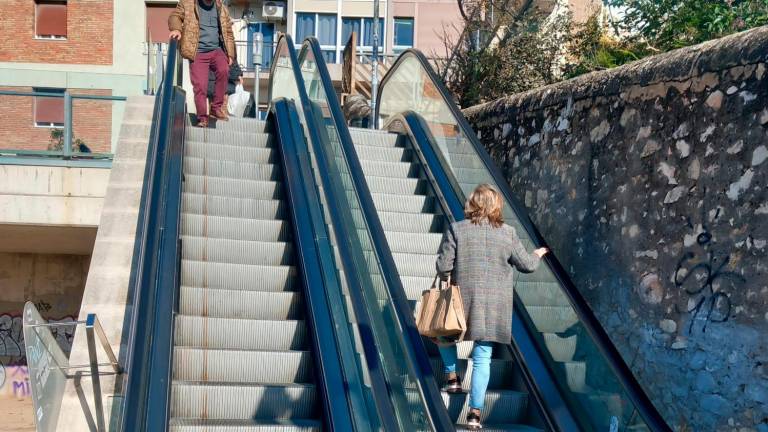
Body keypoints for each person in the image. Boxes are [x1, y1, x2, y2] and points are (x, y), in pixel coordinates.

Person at [435, 184, 549, 430]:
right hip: (493, 304)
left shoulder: (457, 229)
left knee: (444, 336)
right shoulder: (507, 233)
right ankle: (475, 413)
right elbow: (527, 265)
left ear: (472, 204)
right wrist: (538, 254)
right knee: (483, 357)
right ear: (496, 206)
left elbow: (443, 267)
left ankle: (453, 377)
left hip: (460, 300)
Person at [168, 0, 235, 128]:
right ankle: (202, 118)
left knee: (224, 70)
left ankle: (216, 108)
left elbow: (228, 32)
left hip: (216, 50)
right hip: (198, 52)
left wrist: (230, 54)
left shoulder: (221, 8)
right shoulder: (187, 4)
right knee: (200, 85)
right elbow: (175, 16)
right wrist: (176, 29)